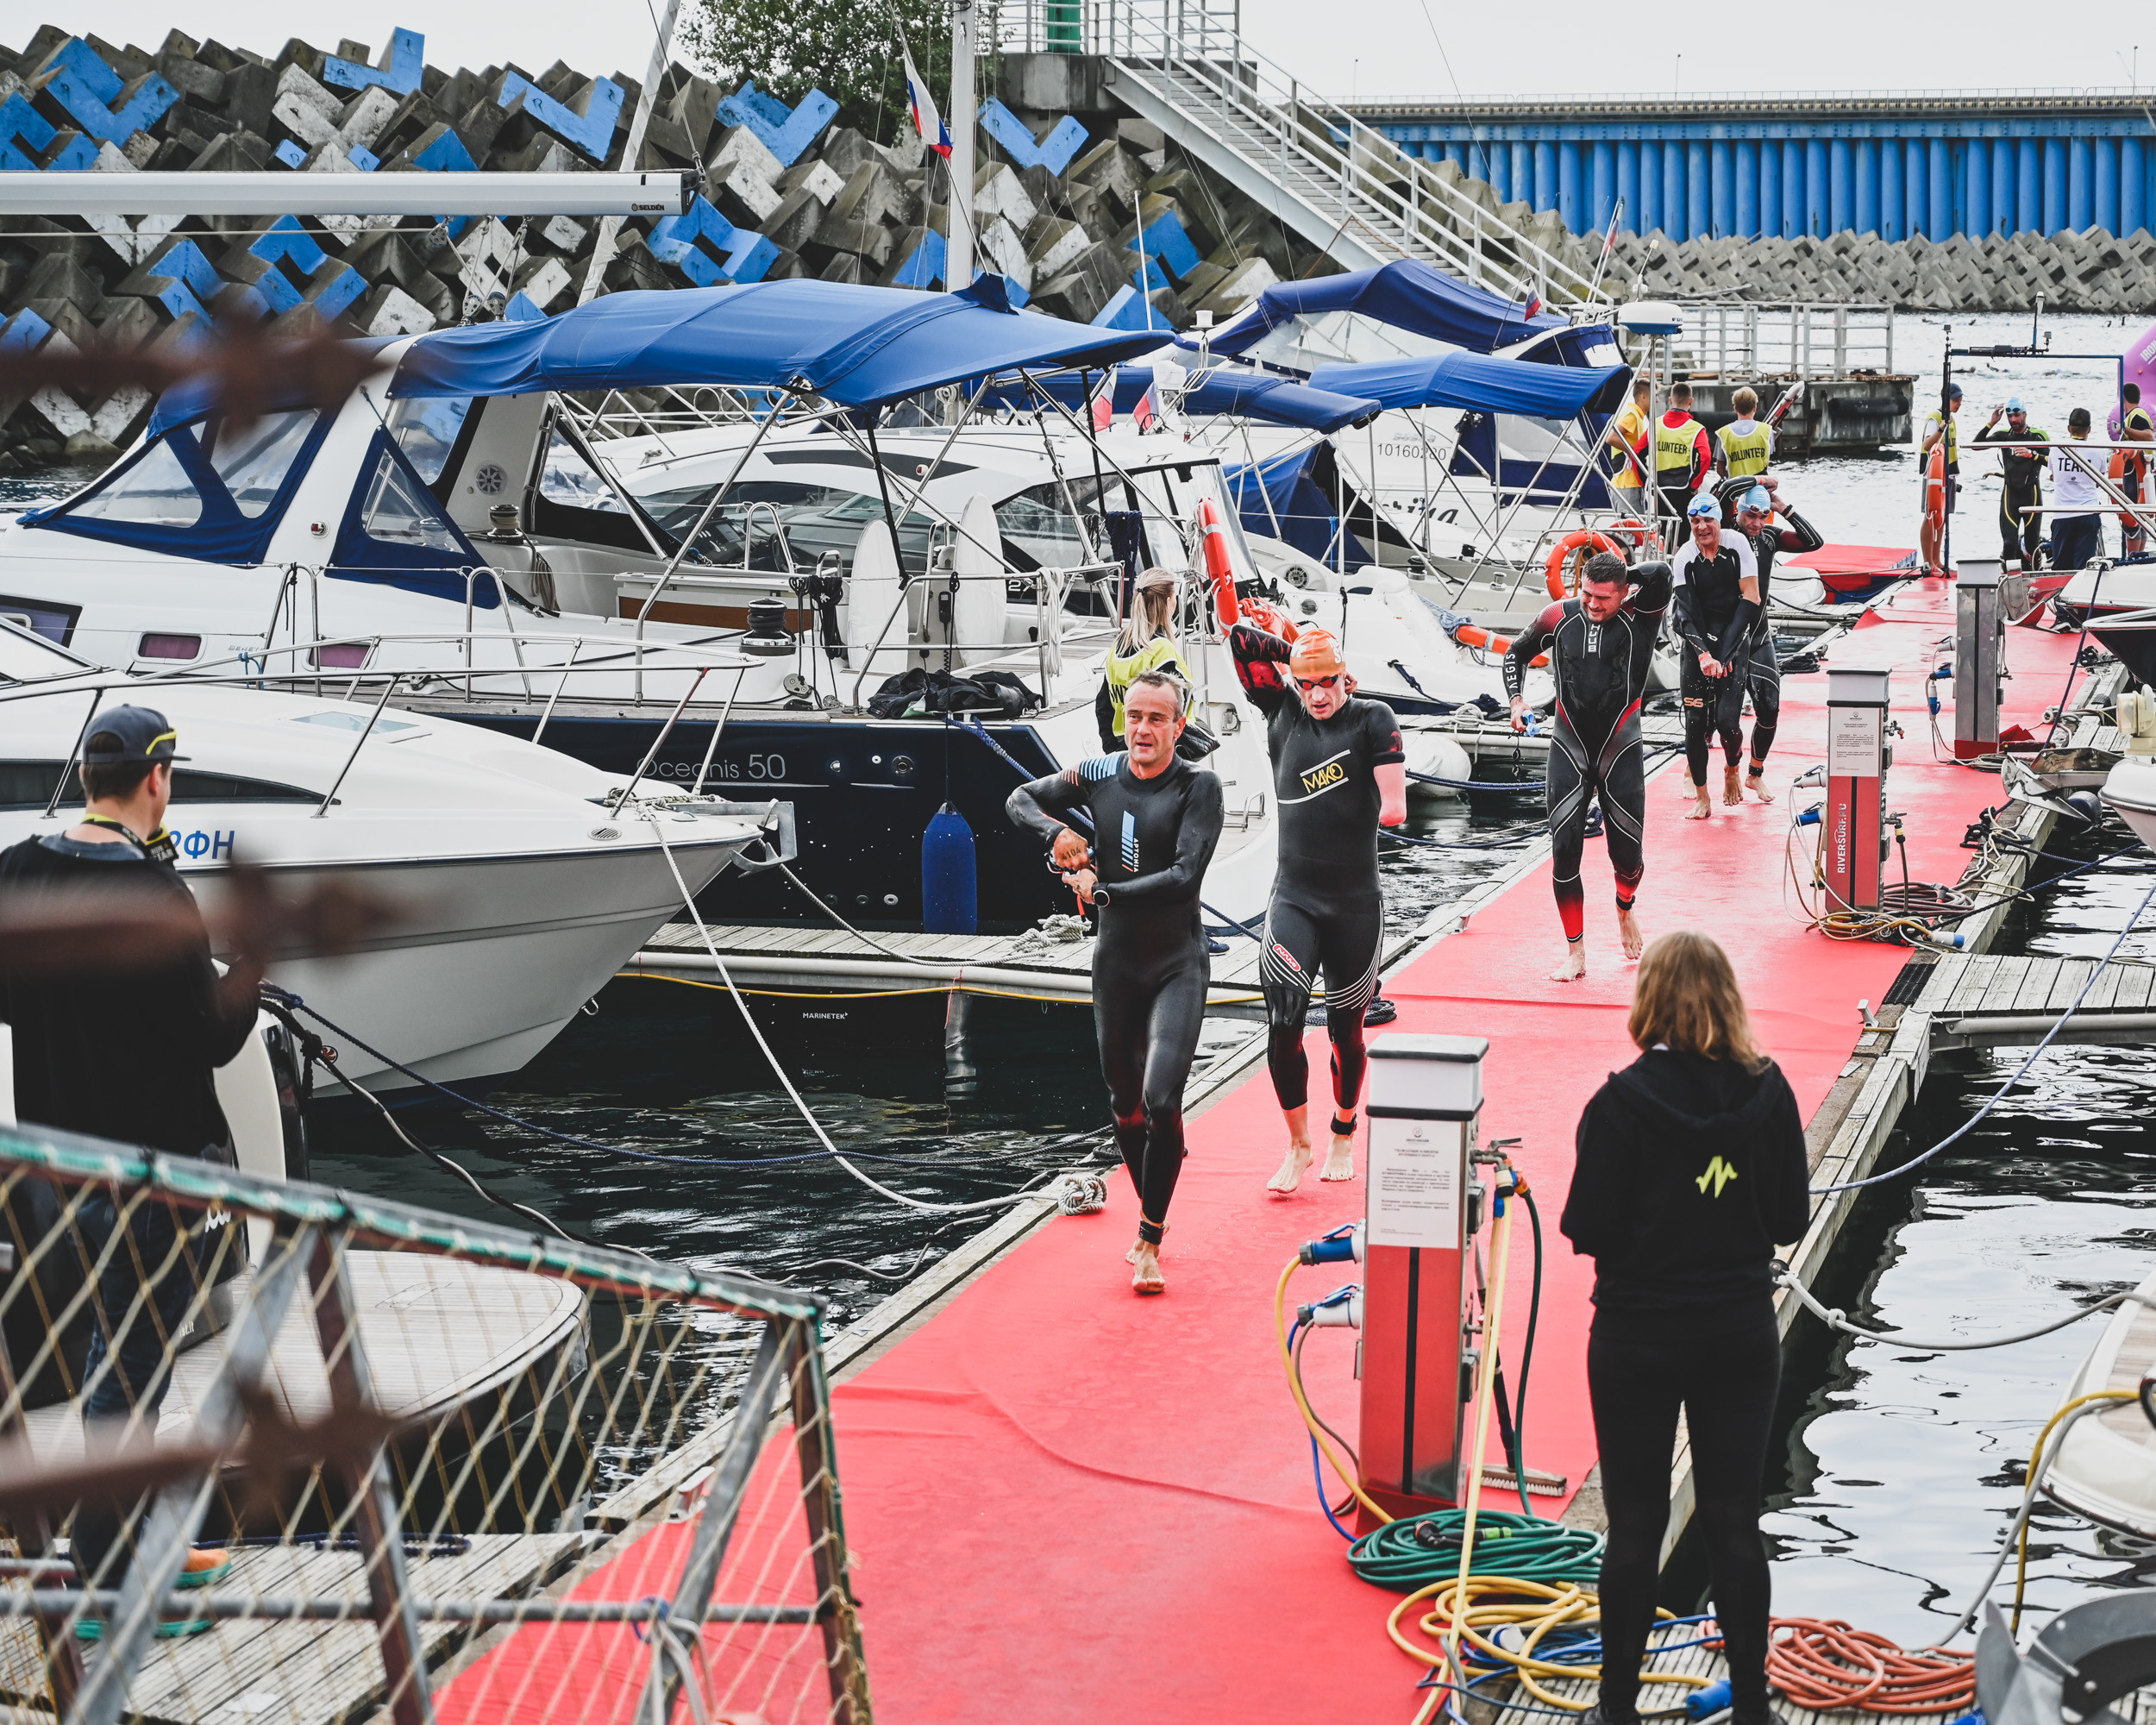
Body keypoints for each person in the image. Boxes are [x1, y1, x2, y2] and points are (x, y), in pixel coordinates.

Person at [0, 707, 260, 1603]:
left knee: (120, 1357)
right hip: (153, 1178)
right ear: (158, 779)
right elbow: (217, 1037)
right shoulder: (159, 898)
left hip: (58, 1173)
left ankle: (134, 1538)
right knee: (129, 1371)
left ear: (85, 779)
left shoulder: (18, 870)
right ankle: (107, 1573)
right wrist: (252, 968)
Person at [1560, 930, 1808, 1725]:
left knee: (1635, 1524)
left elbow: (1587, 1227)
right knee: (1737, 1517)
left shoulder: (1618, 1103)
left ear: (1651, 1002)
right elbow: (1791, 1217)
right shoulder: (1769, 1095)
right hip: (1736, 1331)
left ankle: (1617, 1709)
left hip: (1637, 1335)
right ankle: (1753, 1707)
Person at [1007, 671, 1224, 1294]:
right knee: (1125, 1108)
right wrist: (1059, 833)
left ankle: (1150, 1237)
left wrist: (1100, 889)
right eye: (1135, 717)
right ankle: (1153, 1189)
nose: (1144, 730)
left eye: (1158, 719)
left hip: (1178, 963)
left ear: (1178, 728)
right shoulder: (1100, 774)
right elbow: (1019, 799)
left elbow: (1184, 876)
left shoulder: (1198, 787)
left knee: (1161, 1101)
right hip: (1117, 966)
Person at [1226, 623, 1407, 1193]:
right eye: (1308, 684)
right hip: (1295, 899)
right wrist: (1298, 651)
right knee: (1282, 1022)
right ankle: (1300, 1144)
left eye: (1329, 681)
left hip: (1355, 904)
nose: (1319, 694)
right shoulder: (1281, 712)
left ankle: (1344, 1129)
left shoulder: (1371, 719)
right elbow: (1239, 639)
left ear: (1344, 677)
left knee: (1345, 1032)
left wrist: (1386, 807)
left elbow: (1396, 802)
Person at [1505, 550, 1673, 982]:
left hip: (1621, 746)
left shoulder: (1642, 618)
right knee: (1564, 854)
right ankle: (1575, 953)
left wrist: (1622, 573)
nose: (1593, 604)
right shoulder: (1557, 616)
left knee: (1628, 859)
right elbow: (1515, 654)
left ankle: (1624, 908)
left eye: (1603, 597)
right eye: (1586, 594)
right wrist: (1517, 699)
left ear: (1624, 594)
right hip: (1569, 745)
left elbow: (1662, 574)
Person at [1725, 484, 1823, 800]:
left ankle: (1755, 773)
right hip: (1728, 640)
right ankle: (1724, 770)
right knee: (1724, 718)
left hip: (1758, 635)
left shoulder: (1769, 537)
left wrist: (1784, 509)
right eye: (1750, 515)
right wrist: (1757, 478)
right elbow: (1723, 490)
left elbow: (1814, 542)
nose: (1755, 522)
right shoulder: (1724, 535)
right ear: (1738, 511)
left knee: (1769, 708)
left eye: (1761, 516)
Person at [1670, 493, 1762, 819]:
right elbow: (1685, 614)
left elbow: (1751, 599)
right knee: (1695, 725)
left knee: (1726, 722)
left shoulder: (1738, 546)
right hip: (1698, 644)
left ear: (1719, 520)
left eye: (1707, 520)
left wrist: (1723, 656)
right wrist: (1703, 654)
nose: (1702, 527)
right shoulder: (1684, 557)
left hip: (1732, 639)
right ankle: (1702, 796)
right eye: (1695, 521)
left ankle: (1733, 768)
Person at [1096, 567, 1194, 750]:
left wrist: (1112, 751)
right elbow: (1167, 712)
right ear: (1168, 602)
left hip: (1126, 745)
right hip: (1157, 751)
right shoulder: (1161, 651)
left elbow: (1104, 706)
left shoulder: (1118, 646)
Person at [1973, 397, 2049, 569]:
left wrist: (2032, 455)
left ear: (2025, 414)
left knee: (2032, 547)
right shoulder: (2004, 437)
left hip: (2032, 496)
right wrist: (1991, 423)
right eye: (2010, 416)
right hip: (2010, 497)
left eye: (2017, 415)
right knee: (2009, 544)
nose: (2014, 420)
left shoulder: (2037, 437)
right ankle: (2010, 581)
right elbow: (1975, 446)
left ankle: (2032, 581)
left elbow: (2052, 462)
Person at [2049, 407, 2107, 572]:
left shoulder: (2056, 448)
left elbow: (2054, 474)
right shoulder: (2099, 449)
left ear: (2069, 428)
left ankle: (2061, 596)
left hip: (2063, 514)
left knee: (2061, 568)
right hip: (2088, 512)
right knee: (2083, 568)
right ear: (2089, 430)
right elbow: (2098, 481)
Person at [1651, 381, 1712, 524]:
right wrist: (1694, 484)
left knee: (1662, 532)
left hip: (1660, 489)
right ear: (1691, 402)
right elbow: (1706, 457)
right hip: (1683, 489)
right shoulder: (1697, 429)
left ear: (1670, 400)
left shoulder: (1655, 424)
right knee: (1682, 534)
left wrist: (1645, 481)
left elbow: (1637, 453)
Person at [1919, 383, 1963, 577]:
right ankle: (1928, 561)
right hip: (1934, 476)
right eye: (1956, 400)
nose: (1959, 403)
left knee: (1942, 517)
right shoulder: (1935, 418)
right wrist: (1941, 428)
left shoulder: (1952, 419)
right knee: (1931, 516)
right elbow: (1927, 445)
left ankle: (1937, 560)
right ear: (1946, 400)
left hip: (1948, 474)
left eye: (1961, 400)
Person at [2116, 384, 2152, 559]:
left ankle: (2133, 558)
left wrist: (2124, 429)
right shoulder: (2137, 414)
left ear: (2124, 398)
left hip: (2134, 476)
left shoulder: (2136, 415)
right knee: (2138, 520)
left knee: (2131, 520)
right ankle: (2138, 557)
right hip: (2138, 474)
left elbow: (2149, 436)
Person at [1607, 377, 1652, 502]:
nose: (1658, 400)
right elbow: (1611, 437)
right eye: (1655, 396)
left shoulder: (1639, 417)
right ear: (1643, 397)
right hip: (1626, 485)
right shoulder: (1632, 414)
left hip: (1631, 484)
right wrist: (1635, 451)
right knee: (1629, 522)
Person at [1714, 386, 1772, 482]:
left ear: (1735, 409)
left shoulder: (1723, 433)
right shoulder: (1767, 430)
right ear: (1755, 408)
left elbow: (1720, 470)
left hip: (1735, 488)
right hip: (1760, 486)